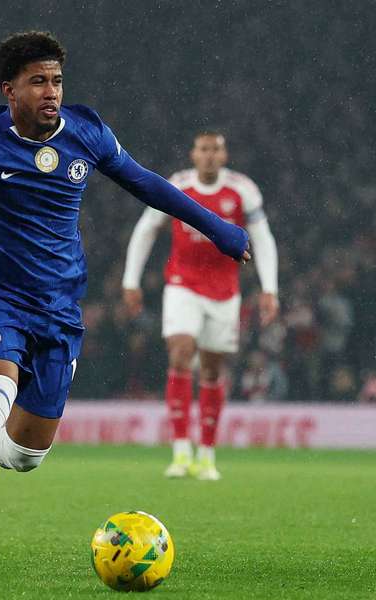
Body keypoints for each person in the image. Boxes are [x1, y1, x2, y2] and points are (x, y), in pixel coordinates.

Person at [0, 31, 250, 566]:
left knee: (26, 455)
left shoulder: (87, 133)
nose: (51, 92)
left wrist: (218, 229)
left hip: (60, 308)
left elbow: (147, 184)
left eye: (56, 81)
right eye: (37, 82)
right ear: (10, 90)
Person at [121, 131, 279, 480]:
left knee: (211, 369)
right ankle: (180, 451)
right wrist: (131, 279)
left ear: (224, 155)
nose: (209, 155)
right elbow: (147, 228)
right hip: (183, 285)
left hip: (225, 291)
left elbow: (263, 238)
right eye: (203, 149)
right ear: (193, 154)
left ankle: (206, 454)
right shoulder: (177, 185)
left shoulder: (242, 190)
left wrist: (270, 288)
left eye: (215, 150)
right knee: (180, 352)